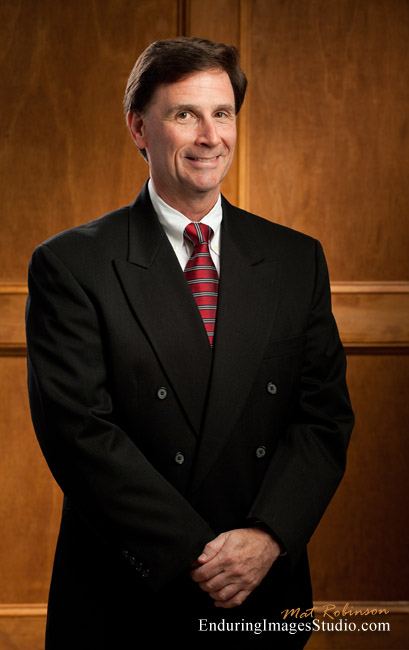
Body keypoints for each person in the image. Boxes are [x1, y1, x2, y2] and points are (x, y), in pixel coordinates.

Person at [26, 37, 354, 650]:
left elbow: (324, 417)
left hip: (262, 592)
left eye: (222, 113)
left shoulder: (295, 259)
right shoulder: (71, 265)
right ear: (138, 129)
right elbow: (80, 435)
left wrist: (269, 537)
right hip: (128, 593)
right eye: (185, 115)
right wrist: (197, 556)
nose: (210, 136)